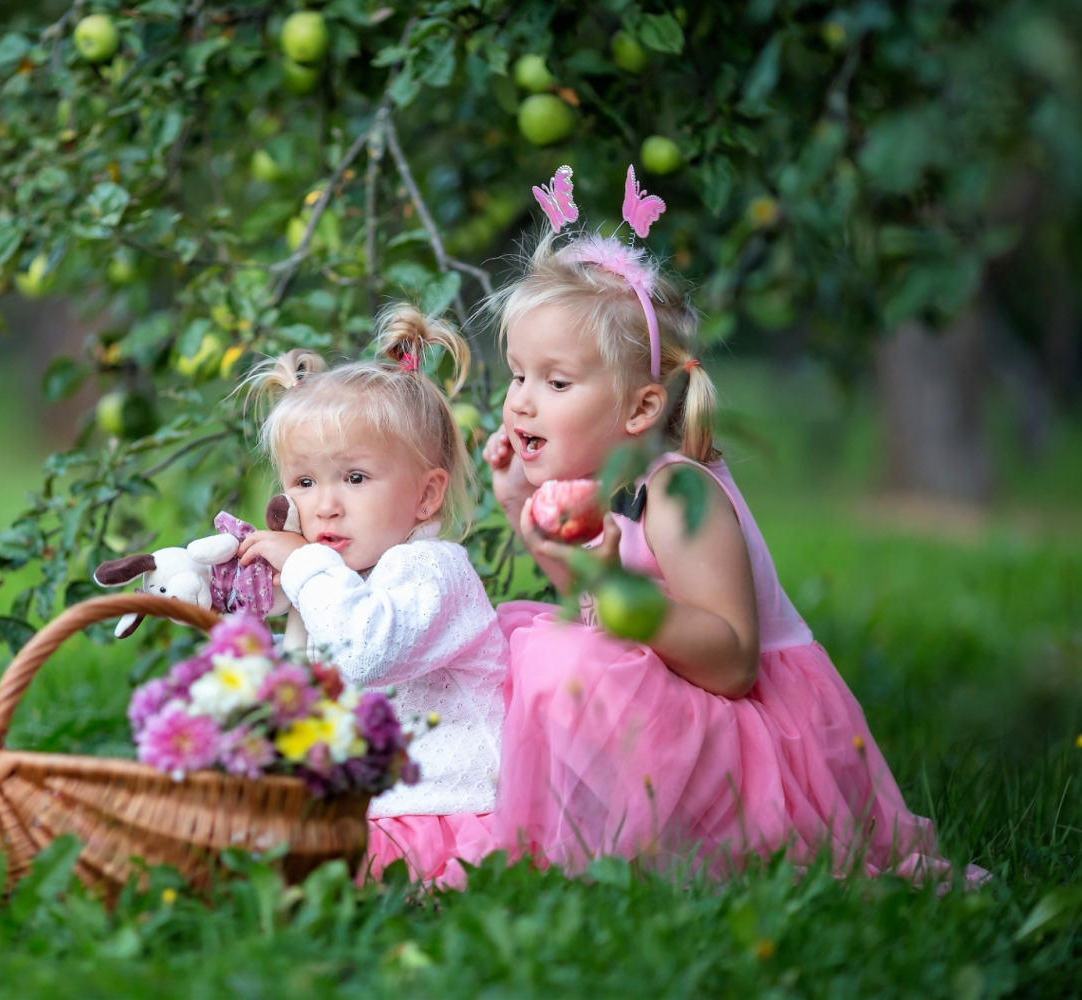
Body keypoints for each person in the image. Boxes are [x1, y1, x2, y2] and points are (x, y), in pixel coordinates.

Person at [482, 164, 986, 886]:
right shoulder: (604, 488)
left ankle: (613, 856)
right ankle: (585, 847)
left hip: (762, 739)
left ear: (639, 410)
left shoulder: (679, 495)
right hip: (689, 703)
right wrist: (516, 510)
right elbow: (590, 604)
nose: (522, 402)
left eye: (556, 383)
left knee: (562, 661)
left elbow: (732, 664)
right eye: (517, 375)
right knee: (516, 637)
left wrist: (630, 608)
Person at [236, 304, 507, 889]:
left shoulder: (432, 570)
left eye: (354, 478)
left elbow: (365, 650)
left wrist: (306, 564)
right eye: (304, 483)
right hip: (377, 806)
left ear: (426, 497)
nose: (325, 505)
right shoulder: (349, 577)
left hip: (446, 810)